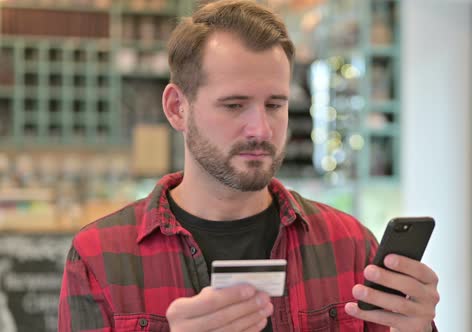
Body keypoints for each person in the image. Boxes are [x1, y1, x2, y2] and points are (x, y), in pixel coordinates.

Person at [58, 1, 439, 331]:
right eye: (234, 105)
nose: (261, 129)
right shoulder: (101, 256)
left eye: (275, 105)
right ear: (177, 107)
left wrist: (417, 328)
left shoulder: (350, 245)